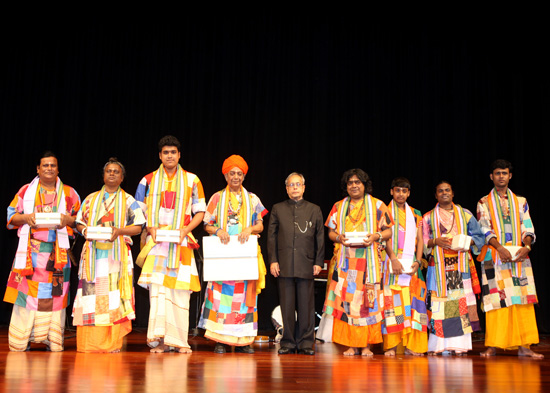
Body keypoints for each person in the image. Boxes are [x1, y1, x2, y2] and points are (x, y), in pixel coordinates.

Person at [135, 135, 206, 353]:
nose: (169, 156)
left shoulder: (192, 180)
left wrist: (185, 230)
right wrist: (150, 227)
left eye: (173, 152)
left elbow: (200, 211)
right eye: (165, 152)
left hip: (181, 244)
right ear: (160, 155)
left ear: (179, 155)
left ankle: (179, 340)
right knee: (158, 292)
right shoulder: (147, 180)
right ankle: (161, 341)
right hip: (157, 244)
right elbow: (137, 211)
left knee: (180, 292)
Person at [4, 151, 81, 351]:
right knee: (25, 297)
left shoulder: (70, 193)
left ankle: (51, 340)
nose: (49, 168)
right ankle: (23, 340)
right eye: (45, 165)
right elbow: (11, 217)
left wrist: (68, 220)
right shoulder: (25, 191)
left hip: (57, 254)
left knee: (55, 297)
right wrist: (27, 217)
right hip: (30, 254)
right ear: (38, 169)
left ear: (58, 169)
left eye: (53, 165)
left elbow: (80, 222)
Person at [73, 158, 145, 352]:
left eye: (116, 172)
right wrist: (84, 231)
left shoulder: (129, 200)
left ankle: (112, 343)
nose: (112, 174)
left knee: (114, 299)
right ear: (103, 175)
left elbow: (139, 226)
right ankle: (89, 344)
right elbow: (79, 222)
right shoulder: (90, 199)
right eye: (109, 171)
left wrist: (120, 231)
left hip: (117, 258)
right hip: (93, 258)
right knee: (90, 299)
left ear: (122, 178)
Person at [199, 154, 268, 354]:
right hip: (222, 254)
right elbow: (206, 224)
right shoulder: (217, 197)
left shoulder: (253, 199)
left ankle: (243, 340)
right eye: (232, 173)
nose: (236, 177)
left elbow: (261, 225)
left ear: (244, 176)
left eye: (239, 173)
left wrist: (250, 229)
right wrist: (218, 230)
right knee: (220, 296)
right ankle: (220, 340)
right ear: (226, 176)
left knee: (244, 297)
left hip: (245, 254)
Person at [477, 159, 543, 358]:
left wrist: (527, 246)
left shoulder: (521, 201)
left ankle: (525, 346)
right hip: (494, 257)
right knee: (495, 300)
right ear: (491, 176)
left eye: (504, 173)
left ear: (510, 176)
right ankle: (493, 345)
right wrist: (499, 248)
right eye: (497, 173)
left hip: (519, 259)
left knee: (522, 300)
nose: (501, 177)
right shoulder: (484, 202)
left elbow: (528, 226)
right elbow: (484, 228)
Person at [323, 168, 393, 356]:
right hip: (347, 265)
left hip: (369, 264)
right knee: (348, 304)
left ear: (364, 185)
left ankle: (367, 346)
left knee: (368, 303)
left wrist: (376, 236)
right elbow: (330, 232)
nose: (354, 186)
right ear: (346, 186)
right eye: (350, 183)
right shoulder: (339, 206)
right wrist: (338, 238)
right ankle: (351, 344)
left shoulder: (378, 205)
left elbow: (389, 231)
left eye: (357, 182)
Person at [423, 181, 484, 355]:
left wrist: (466, 241)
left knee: (461, 304)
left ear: (453, 193)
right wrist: (435, 241)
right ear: (435, 195)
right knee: (439, 304)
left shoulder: (465, 215)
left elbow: (479, 236)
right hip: (438, 268)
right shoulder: (428, 217)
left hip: (461, 264)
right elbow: (421, 242)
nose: (444, 193)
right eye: (440, 191)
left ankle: (460, 346)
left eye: (447, 190)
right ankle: (438, 345)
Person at [268, 172, 325, 355]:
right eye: (291, 185)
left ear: (303, 187)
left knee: (306, 305)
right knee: (287, 304)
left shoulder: (314, 209)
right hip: (283, 263)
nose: (294, 188)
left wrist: (318, 262)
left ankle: (307, 342)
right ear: (286, 188)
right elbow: (271, 238)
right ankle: (288, 342)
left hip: (306, 263)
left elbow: (320, 238)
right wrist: (273, 260)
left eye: (298, 184)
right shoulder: (278, 208)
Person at [382, 177, 428, 356]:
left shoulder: (416, 213)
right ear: (391, 192)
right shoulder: (384, 211)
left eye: (404, 191)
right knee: (392, 303)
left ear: (408, 193)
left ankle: (412, 345)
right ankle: (392, 345)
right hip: (391, 263)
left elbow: (421, 239)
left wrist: (418, 261)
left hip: (411, 265)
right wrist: (393, 258)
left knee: (414, 302)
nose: (401, 194)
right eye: (397, 190)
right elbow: (383, 237)